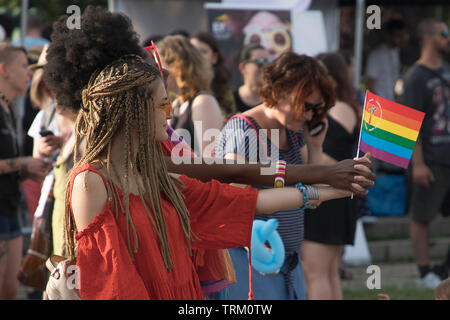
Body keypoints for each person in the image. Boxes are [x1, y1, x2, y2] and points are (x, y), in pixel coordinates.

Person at [42, 7, 374, 301]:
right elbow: (113, 285)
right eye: (162, 102)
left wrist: (337, 188)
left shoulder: (156, 172)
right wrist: (325, 176)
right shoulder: (92, 181)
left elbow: (245, 200)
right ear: (134, 109)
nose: (170, 113)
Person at [215, 52, 337, 300]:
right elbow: (236, 201)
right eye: (306, 106)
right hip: (250, 263)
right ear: (280, 91)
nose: (309, 116)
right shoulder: (245, 130)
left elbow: (312, 189)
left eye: (316, 109)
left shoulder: (291, 130)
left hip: (285, 263)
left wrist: (315, 147)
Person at [302, 52, 361, 300]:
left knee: (315, 272)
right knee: (329, 272)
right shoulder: (348, 106)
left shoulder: (331, 110)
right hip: (338, 195)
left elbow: (328, 159)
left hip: (326, 196)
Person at [403, 18, 450, 289]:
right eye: (444, 33)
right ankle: (424, 273)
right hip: (430, 159)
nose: (447, 38)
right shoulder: (415, 77)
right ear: (430, 37)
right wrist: (417, 164)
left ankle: (443, 267)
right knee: (422, 216)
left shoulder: (446, 71)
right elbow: (411, 125)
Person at [0, 43, 48, 299]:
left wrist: (29, 171)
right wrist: (23, 164)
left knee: (9, 293)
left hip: (10, 211)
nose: (29, 74)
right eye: (23, 67)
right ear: (4, 69)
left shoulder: (8, 108)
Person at [157, 35, 224, 157]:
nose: (157, 73)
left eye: (159, 66)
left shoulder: (203, 101)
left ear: (177, 66)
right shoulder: (177, 103)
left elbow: (210, 158)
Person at [190, 32, 236, 118]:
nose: (196, 56)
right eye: (193, 51)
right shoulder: (177, 88)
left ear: (214, 57)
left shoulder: (224, 91)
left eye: (202, 51)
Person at [365, 19, 408, 101]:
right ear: (388, 36)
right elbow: (369, 83)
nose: (402, 39)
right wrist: (377, 103)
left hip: (390, 103)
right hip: (379, 105)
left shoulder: (395, 52)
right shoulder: (377, 55)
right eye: (398, 36)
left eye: (404, 36)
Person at [233, 44, 271, 113]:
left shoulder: (274, 100)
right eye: (260, 62)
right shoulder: (230, 101)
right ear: (243, 68)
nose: (265, 67)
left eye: (268, 61)